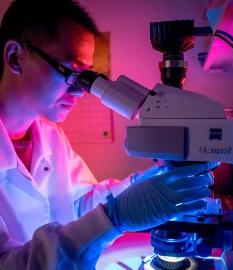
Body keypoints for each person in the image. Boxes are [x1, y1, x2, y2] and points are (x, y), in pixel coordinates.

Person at [0, 0, 216, 269]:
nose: (80, 92)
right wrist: (115, 217)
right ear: (14, 57)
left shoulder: (50, 136)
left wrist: (145, 183)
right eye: (70, 72)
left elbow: (81, 204)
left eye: (86, 78)